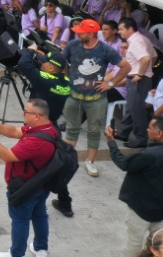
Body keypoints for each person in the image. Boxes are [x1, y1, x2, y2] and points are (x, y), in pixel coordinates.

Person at [0, 99, 57, 257]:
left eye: (26, 112)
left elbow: (6, 155)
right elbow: (15, 131)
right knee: (39, 214)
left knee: (20, 221)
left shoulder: (36, 141)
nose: (22, 114)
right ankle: (40, 248)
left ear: (36, 115)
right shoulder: (47, 128)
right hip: (41, 184)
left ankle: (16, 253)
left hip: (26, 188)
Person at [61, 18, 132, 178]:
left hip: (96, 99)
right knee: (72, 129)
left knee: (94, 131)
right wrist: (67, 75)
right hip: (74, 97)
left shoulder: (105, 49)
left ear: (91, 33)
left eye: (81, 32)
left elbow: (126, 67)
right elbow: (61, 61)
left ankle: (90, 162)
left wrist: (111, 83)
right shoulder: (73, 45)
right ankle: (65, 160)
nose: (77, 34)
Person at [105, 116, 163, 257]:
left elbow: (124, 163)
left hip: (141, 209)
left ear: (159, 133)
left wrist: (111, 142)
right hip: (160, 212)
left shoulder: (149, 155)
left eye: (149, 128)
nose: (147, 130)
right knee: (157, 245)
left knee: (133, 245)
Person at [116, 17, 158, 149]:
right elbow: (154, 55)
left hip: (138, 79)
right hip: (140, 78)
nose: (119, 31)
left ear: (130, 29)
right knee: (131, 107)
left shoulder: (135, 41)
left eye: (121, 29)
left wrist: (140, 73)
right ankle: (123, 132)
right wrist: (146, 70)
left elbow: (146, 58)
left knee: (137, 110)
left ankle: (140, 138)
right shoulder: (143, 39)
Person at [16, 46, 71, 126]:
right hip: (52, 125)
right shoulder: (67, 83)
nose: (41, 63)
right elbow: (62, 71)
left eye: (44, 62)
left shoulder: (43, 80)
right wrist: (47, 58)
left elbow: (23, 63)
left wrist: (30, 50)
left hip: (36, 124)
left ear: (51, 68)